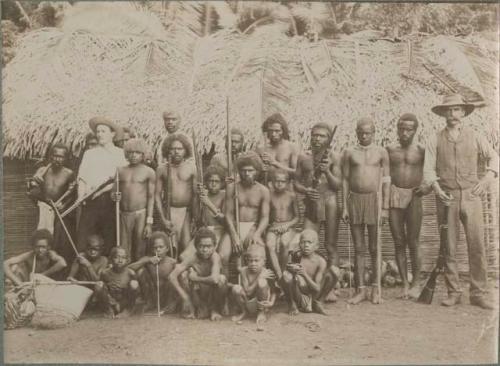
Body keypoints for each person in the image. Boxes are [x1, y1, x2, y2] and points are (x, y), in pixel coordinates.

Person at [424, 94, 498, 309]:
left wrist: (487, 179)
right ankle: (453, 291)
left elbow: (495, 158)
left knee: (477, 245)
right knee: (449, 246)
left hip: (471, 196)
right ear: (443, 114)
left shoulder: (476, 137)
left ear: (464, 113)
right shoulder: (434, 138)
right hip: (447, 198)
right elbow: (428, 169)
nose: (453, 114)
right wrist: (437, 188)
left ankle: (478, 293)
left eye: (457, 110)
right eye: (448, 110)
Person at [342, 117, 390, 305]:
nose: (364, 135)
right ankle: (360, 289)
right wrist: (345, 206)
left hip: (374, 201)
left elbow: (387, 180)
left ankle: (376, 289)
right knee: (359, 248)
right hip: (355, 200)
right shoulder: (349, 153)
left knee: (375, 247)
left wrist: (385, 207)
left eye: (368, 132)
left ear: (374, 133)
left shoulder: (381, 152)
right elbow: (345, 179)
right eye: (360, 132)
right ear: (356, 132)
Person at [294, 123, 342, 302]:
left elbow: (337, 185)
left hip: (329, 202)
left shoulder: (335, 158)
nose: (317, 139)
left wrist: (327, 171)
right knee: (306, 241)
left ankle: (332, 286)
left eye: (322, 136)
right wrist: (306, 191)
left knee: (330, 245)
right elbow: (296, 183)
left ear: (328, 138)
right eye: (314, 135)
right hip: (312, 202)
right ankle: (304, 283)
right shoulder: (303, 158)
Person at [386, 113, 428, 299]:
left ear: (415, 130)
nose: (404, 133)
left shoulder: (421, 150)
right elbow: (382, 173)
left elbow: (434, 170)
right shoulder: (389, 149)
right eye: (401, 129)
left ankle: (416, 283)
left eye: (409, 129)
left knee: (413, 241)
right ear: (397, 129)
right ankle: (404, 283)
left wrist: (427, 188)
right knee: (398, 241)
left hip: (414, 196)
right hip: (395, 195)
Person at [76, 117, 127, 255]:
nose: (99, 134)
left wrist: (101, 191)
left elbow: (120, 180)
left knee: (109, 236)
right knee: (84, 236)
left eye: (103, 131)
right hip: (89, 201)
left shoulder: (120, 154)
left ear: (112, 134)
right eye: (98, 131)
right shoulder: (89, 154)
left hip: (109, 201)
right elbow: (82, 178)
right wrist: (81, 196)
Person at [218, 152, 271, 278]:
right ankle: (225, 287)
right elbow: (228, 214)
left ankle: (257, 289)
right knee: (222, 256)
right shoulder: (232, 188)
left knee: (256, 255)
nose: (246, 174)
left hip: (252, 227)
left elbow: (265, 217)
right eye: (243, 170)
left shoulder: (263, 191)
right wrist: (234, 235)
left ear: (257, 171)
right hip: (234, 227)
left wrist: (257, 233)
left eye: (250, 171)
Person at [26, 144, 76, 264]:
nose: (57, 159)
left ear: (66, 158)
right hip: (44, 209)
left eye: (61, 157)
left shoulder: (69, 173)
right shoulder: (42, 171)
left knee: (59, 242)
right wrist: (34, 184)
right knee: (42, 240)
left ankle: (58, 269)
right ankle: (40, 266)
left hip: (60, 213)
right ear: (50, 157)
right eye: (55, 156)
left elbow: (73, 195)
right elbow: (31, 192)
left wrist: (64, 205)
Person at [168, 228, 228, 320]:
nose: (205, 249)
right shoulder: (192, 258)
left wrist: (195, 278)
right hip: (199, 292)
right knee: (183, 275)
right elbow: (172, 276)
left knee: (221, 279)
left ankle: (214, 310)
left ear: (214, 246)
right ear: (196, 246)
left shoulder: (215, 257)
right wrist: (185, 297)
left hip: (213, 292)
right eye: (201, 246)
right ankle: (196, 307)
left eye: (208, 246)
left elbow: (215, 279)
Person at [112, 138, 155, 262]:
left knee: (140, 248)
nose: (134, 155)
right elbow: (113, 192)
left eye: (137, 152)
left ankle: (139, 276)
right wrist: (114, 196)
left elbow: (151, 198)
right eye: (130, 152)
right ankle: (125, 274)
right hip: (124, 214)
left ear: (143, 154)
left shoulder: (149, 172)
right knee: (123, 249)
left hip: (140, 214)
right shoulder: (120, 171)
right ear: (126, 154)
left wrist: (149, 223)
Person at [155, 134, 197, 256]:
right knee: (169, 249)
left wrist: (195, 218)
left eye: (180, 149)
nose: (176, 152)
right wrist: (163, 219)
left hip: (186, 213)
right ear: (168, 150)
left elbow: (195, 196)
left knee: (186, 247)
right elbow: (156, 195)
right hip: (169, 211)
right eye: (173, 149)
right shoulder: (162, 169)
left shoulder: (192, 169)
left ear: (186, 151)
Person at [128, 231, 177, 314]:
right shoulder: (147, 258)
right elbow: (129, 268)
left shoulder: (171, 262)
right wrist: (147, 261)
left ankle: (169, 305)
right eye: (155, 247)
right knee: (141, 271)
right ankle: (149, 302)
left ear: (167, 248)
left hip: (166, 294)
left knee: (173, 277)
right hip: (152, 293)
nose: (158, 250)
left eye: (161, 247)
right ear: (151, 249)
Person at [281, 229, 328, 315]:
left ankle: (316, 303)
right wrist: (290, 268)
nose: (306, 245)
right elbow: (285, 277)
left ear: (316, 246)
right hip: (298, 291)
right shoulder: (296, 256)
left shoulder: (321, 261)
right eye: (303, 242)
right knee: (286, 275)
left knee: (334, 272)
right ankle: (292, 304)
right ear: (299, 245)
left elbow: (317, 288)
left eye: (310, 242)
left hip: (312, 293)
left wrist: (304, 274)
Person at [231, 244, 276, 331]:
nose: (253, 264)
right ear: (247, 261)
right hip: (247, 301)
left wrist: (272, 303)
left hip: (262, 303)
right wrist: (259, 277)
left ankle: (261, 312)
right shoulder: (244, 271)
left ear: (264, 261)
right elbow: (247, 291)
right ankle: (244, 312)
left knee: (262, 282)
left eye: (256, 260)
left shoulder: (267, 273)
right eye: (250, 261)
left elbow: (274, 292)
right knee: (236, 288)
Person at [266, 169, 299, 280]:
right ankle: (279, 276)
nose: (279, 184)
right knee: (270, 245)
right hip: (274, 226)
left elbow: (297, 218)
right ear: (272, 182)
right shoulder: (268, 195)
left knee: (285, 243)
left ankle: (283, 270)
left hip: (288, 226)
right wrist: (272, 225)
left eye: (282, 181)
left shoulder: (292, 196)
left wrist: (287, 225)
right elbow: (266, 216)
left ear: (287, 183)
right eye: (277, 181)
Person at [95, 247, 141, 318]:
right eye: (116, 257)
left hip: (124, 302)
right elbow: (102, 290)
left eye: (123, 258)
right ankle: (108, 310)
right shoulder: (105, 273)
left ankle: (128, 310)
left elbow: (136, 292)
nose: (120, 260)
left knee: (134, 284)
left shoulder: (130, 273)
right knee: (98, 285)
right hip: (111, 301)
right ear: (110, 259)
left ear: (127, 260)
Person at [255, 113, 300, 182]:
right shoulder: (260, 149)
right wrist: (260, 169)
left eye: (277, 131)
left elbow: (296, 173)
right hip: (266, 187)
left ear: (283, 131)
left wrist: (275, 163)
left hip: (285, 188)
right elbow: (252, 173)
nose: (273, 134)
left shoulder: (292, 147)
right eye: (270, 131)